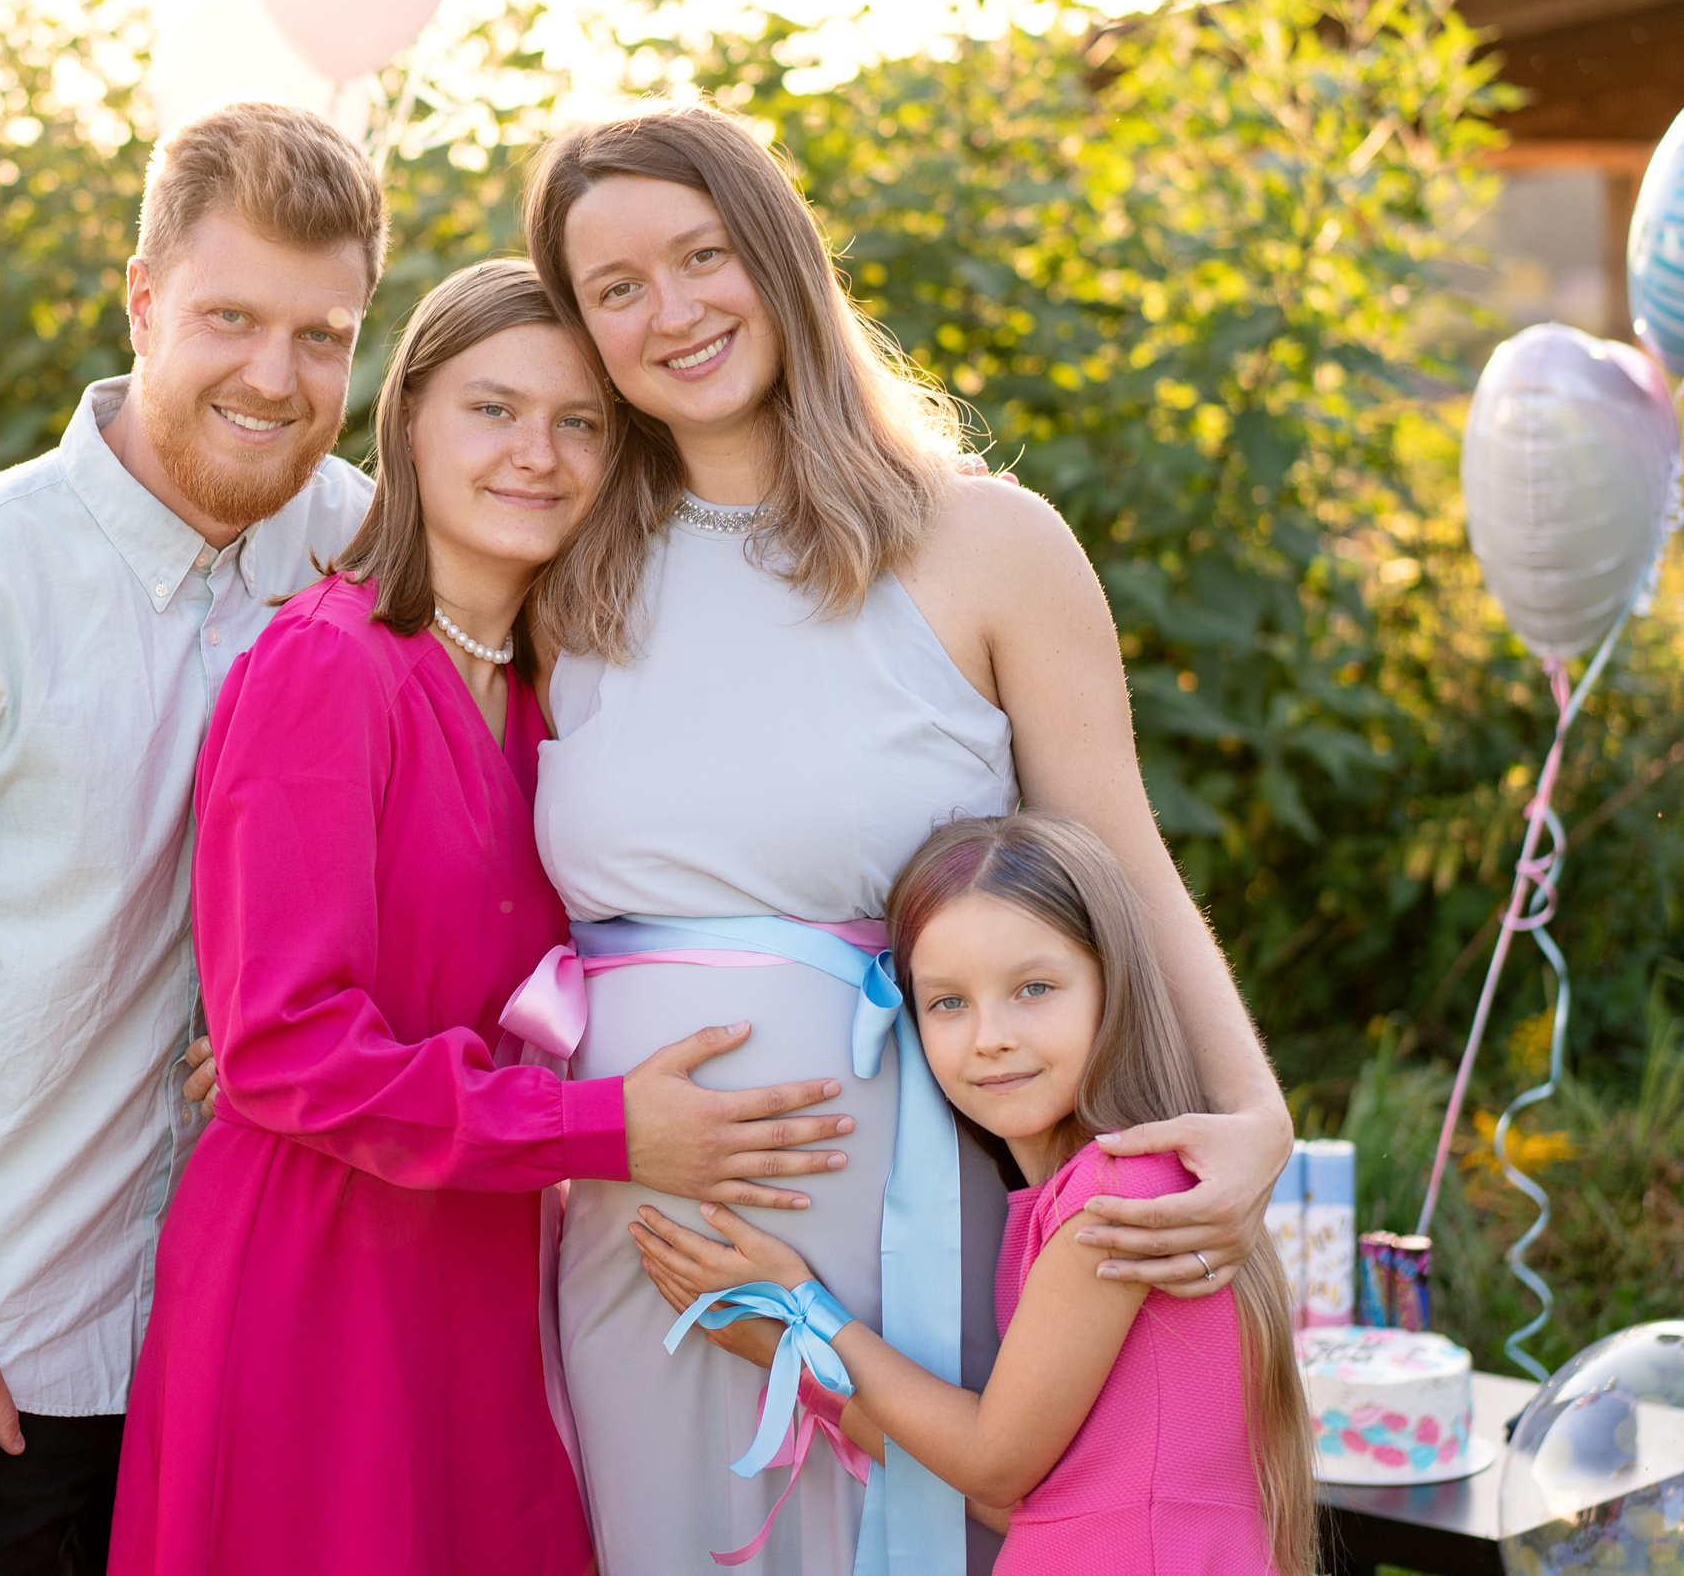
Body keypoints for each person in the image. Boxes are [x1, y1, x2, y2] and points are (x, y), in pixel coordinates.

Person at [517, 103, 1298, 1576]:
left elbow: (1117, 854)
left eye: (703, 254)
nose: (673, 311)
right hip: (644, 1230)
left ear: (781, 254)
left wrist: (1258, 1117)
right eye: (616, 288)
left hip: (906, 1200)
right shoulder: (564, 572)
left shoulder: (985, 541)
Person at [108, 259, 863, 1575]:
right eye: (493, 410)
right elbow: (284, 1046)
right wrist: (611, 1124)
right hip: (321, 1273)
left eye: (579, 422)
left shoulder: (558, 699)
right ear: (406, 422)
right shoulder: (327, 664)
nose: (539, 454)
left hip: (490, 1262)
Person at [0, 102, 392, 1574]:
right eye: (230, 317)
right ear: (146, 299)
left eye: (322, 334)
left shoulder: (361, 547)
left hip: (229, 1342)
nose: (275, 377)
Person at [631, 813, 1317, 1576]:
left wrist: (807, 1309)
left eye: (1033, 988)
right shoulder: (1069, 1202)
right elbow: (1016, 1492)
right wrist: (791, 1360)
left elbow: (995, 1465)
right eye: (949, 1002)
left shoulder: (1117, 1196)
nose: (990, 1035)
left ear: (1111, 986)